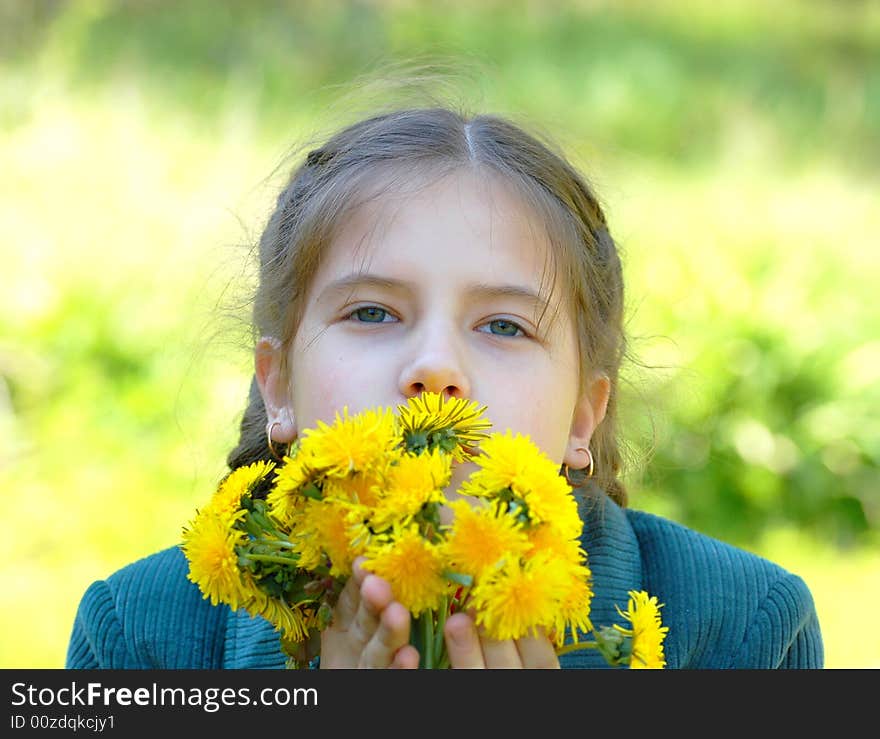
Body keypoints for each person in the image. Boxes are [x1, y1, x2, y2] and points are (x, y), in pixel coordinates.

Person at [65, 105, 824, 669]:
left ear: (583, 416)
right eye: (372, 312)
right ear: (279, 385)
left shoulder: (750, 628)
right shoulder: (135, 636)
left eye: (503, 326)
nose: (436, 368)